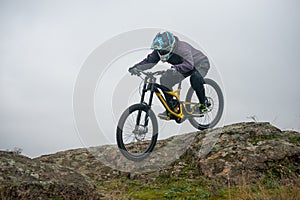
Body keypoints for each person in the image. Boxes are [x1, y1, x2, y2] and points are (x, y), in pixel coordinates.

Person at [129, 31, 210, 118]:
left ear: (171, 46)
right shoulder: (159, 51)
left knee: (195, 78)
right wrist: (136, 68)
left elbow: (189, 65)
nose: (161, 52)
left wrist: (175, 68)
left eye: (163, 51)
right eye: (159, 51)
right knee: (165, 80)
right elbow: (149, 61)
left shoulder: (182, 48)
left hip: (200, 63)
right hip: (183, 66)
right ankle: (172, 107)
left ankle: (203, 105)